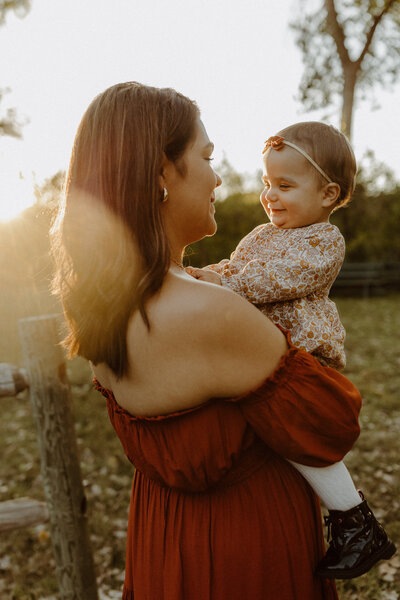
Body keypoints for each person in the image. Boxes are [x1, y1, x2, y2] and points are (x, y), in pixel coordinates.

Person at [52, 83, 364, 600]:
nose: (219, 176)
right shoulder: (213, 312)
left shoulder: (101, 306)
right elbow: (331, 423)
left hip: (163, 544)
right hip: (247, 555)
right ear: (160, 174)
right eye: (207, 157)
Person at [186, 121, 396, 579]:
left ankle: (357, 523)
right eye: (266, 184)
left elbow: (280, 279)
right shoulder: (261, 235)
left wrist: (228, 284)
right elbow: (237, 266)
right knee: (269, 438)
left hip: (302, 358)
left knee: (302, 439)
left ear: (327, 194)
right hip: (263, 356)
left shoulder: (324, 240)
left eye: (284, 185)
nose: (270, 195)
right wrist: (201, 274)